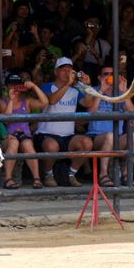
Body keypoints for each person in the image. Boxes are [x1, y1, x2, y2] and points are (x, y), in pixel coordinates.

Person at [36, 57, 92, 187]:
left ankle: (71, 174)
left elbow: (88, 103)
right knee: (51, 147)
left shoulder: (76, 90)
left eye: (70, 70)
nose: (67, 73)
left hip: (68, 135)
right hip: (47, 134)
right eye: (64, 70)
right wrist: (68, 84)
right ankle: (48, 174)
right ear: (56, 72)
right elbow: (52, 100)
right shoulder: (47, 86)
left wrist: (86, 86)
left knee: (87, 143)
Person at [0, 73, 49, 190]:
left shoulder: (26, 101)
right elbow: (7, 119)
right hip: (9, 137)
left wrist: (34, 87)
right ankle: (8, 179)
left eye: (17, 86)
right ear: (6, 87)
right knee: (14, 143)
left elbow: (45, 103)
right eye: (12, 86)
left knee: (27, 145)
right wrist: (11, 100)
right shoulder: (3, 102)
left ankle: (36, 178)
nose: (15, 88)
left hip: (24, 135)